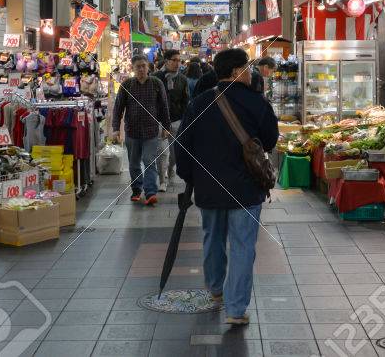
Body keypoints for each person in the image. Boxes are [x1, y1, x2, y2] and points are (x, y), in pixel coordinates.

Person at [176, 48, 279, 325]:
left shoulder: (199, 103)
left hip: (208, 188)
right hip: (246, 189)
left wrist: (190, 177)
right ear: (235, 72)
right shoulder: (257, 102)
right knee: (243, 246)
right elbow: (270, 140)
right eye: (247, 67)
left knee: (213, 238)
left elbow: (182, 146)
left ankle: (215, 290)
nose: (250, 72)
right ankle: (236, 309)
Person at [111, 55, 170, 205]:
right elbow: (118, 108)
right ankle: (137, 189)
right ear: (133, 68)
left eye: (144, 66)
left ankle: (150, 192)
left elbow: (164, 106)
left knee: (149, 160)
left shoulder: (156, 83)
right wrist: (115, 128)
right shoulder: (127, 85)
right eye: (138, 66)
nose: (141, 69)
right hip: (132, 131)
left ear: (148, 67)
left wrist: (166, 126)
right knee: (133, 163)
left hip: (151, 131)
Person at [158, 53, 190, 192]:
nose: (178, 63)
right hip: (159, 120)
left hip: (176, 119)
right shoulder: (156, 77)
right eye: (174, 60)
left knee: (174, 153)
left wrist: (184, 118)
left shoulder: (182, 79)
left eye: (179, 60)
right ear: (166, 61)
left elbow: (186, 100)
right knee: (162, 152)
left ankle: (171, 168)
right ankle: (162, 180)